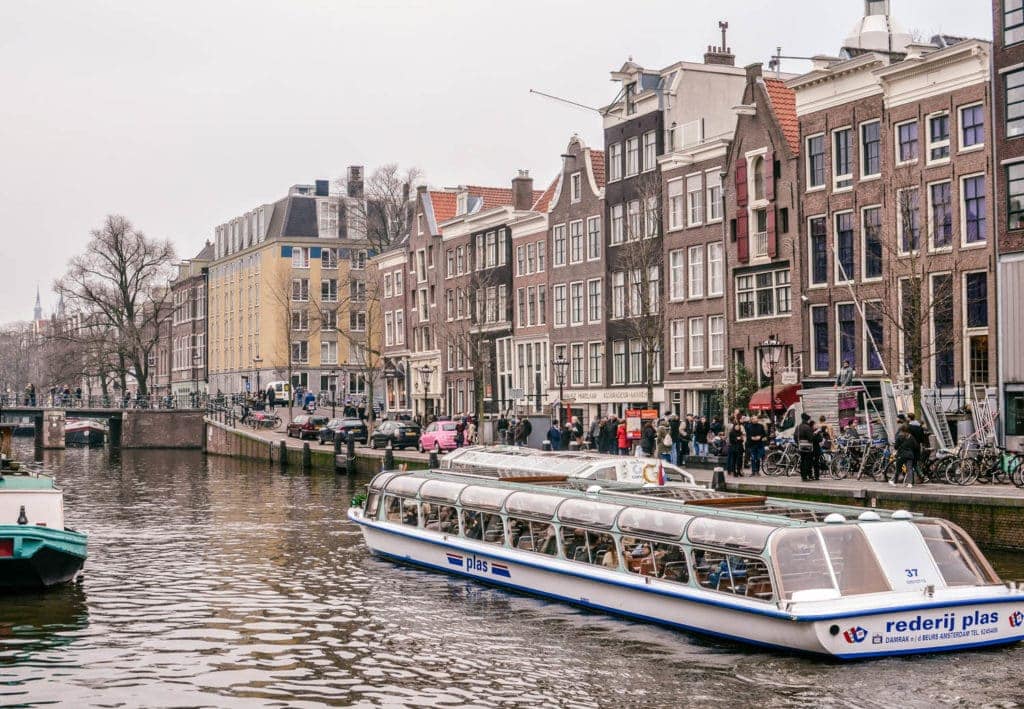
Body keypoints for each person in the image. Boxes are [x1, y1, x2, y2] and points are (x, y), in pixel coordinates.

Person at [893, 423, 921, 488]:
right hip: (910, 455)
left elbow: (896, 447)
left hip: (902, 455)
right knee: (909, 469)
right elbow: (916, 446)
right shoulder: (911, 437)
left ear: (901, 429)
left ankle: (895, 481)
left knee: (898, 468)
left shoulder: (900, 437)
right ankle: (910, 483)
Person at [795, 413, 816, 482]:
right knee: (807, 462)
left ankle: (803, 476)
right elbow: (810, 438)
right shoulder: (807, 427)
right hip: (808, 447)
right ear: (807, 420)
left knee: (802, 461)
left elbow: (795, 437)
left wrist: (798, 444)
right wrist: (814, 434)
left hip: (800, 447)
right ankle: (806, 476)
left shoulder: (798, 427)